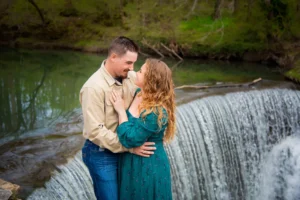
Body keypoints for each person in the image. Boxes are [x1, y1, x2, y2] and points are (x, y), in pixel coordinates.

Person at [80, 36, 156, 200]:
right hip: (101, 153)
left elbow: (155, 82)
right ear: (113, 57)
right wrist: (130, 147)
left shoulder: (129, 76)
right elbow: (95, 132)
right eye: (128, 63)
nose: (132, 68)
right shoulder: (93, 88)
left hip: (126, 146)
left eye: (134, 63)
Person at [110, 58, 176, 200]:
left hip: (148, 165)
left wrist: (121, 111)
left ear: (150, 80)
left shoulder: (157, 112)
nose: (135, 72)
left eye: (140, 71)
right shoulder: (139, 93)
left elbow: (130, 138)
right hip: (131, 162)